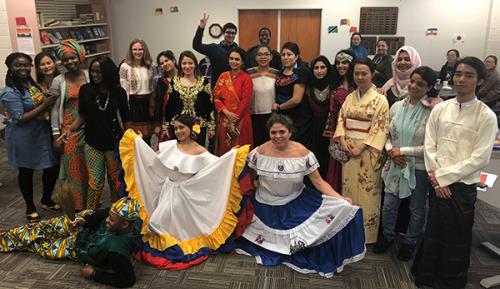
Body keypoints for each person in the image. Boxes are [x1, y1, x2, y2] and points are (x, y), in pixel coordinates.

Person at [235, 113, 365, 277]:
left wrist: (340, 199)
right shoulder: (259, 152)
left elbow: (318, 182)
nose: (278, 136)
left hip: (295, 201)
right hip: (264, 205)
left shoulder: (303, 153)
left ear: (290, 132)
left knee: (338, 211)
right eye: (273, 133)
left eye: (282, 132)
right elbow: (250, 175)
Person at [119, 115, 250, 269]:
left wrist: (231, 156)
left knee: (171, 223)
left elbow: (217, 167)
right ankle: (167, 239)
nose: (178, 131)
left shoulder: (200, 150)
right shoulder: (169, 145)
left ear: (190, 129)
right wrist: (139, 143)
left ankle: (174, 239)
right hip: (168, 189)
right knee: (159, 221)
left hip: (185, 194)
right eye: (175, 128)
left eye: (182, 127)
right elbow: (150, 160)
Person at [412, 57, 498, 289]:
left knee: (457, 236)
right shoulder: (440, 108)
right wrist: (437, 179)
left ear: (479, 80)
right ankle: (427, 275)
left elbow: (480, 158)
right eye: (458, 74)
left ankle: (450, 280)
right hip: (436, 182)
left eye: (469, 75)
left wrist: (443, 178)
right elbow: (430, 145)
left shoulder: (486, 116)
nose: (461, 79)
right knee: (434, 231)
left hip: (461, 187)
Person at [374, 66, 441, 260]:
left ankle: (410, 242)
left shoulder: (432, 111)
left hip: (418, 167)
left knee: (416, 208)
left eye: (420, 84)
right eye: (412, 81)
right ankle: (387, 236)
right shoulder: (397, 106)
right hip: (395, 163)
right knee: (388, 205)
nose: (414, 86)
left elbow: (430, 146)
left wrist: (401, 151)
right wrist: (390, 151)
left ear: (429, 87)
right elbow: (387, 135)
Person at [0, 197, 141, 288]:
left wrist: (94, 274)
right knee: (41, 228)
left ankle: (7, 240)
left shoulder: (117, 250)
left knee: (39, 245)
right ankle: (6, 237)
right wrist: (85, 220)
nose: (107, 220)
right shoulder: (126, 220)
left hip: (77, 247)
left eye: (112, 220)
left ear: (124, 225)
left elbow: (127, 280)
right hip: (83, 226)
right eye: (110, 217)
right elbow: (104, 213)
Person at [59, 57, 131, 209]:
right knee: (95, 183)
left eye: (99, 71)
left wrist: (130, 140)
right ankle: (89, 215)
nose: (95, 74)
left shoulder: (119, 92)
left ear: (108, 73)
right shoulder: (86, 90)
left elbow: (126, 119)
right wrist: (69, 130)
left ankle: (115, 211)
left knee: (114, 181)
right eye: (92, 71)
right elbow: (82, 116)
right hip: (92, 143)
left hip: (114, 143)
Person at [334, 57, 389, 244]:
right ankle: (350, 230)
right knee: (348, 189)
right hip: (349, 149)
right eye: (356, 73)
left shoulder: (381, 100)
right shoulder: (350, 97)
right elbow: (341, 119)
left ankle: (367, 235)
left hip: (367, 151)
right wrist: (342, 139)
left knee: (368, 192)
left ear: (372, 73)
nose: (359, 76)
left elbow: (380, 127)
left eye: (364, 73)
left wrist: (362, 146)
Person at [1, 52, 59, 222]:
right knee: (26, 171)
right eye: (18, 65)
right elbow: (20, 119)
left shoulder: (30, 84)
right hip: (23, 137)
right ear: (10, 68)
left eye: (26, 65)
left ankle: (46, 199)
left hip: (40, 133)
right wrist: (46, 104)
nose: (23, 68)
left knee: (51, 167)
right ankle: (30, 206)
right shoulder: (10, 91)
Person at [50, 39, 89, 211]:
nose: (70, 62)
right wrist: (56, 135)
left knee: (89, 166)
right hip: (68, 130)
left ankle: (89, 201)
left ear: (79, 57)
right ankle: (75, 204)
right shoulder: (59, 81)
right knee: (72, 167)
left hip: (90, 128)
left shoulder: (89, 75)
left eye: (73, 58)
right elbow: (54, 110)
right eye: (65, 60)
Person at [164, 50, 215, 147]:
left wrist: (211, 126)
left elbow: (209, 105)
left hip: (198, 124)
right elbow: (169, 106)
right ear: (180, 65)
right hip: (179, 126)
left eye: (190, 63)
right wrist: (165, 126)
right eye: (184, 63)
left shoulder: (203, 81)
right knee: (180, 154)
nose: (187, 66)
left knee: (197, 153)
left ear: (195, 64)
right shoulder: (174, 82)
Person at [325, 50, 356, 192]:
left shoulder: (359, 82)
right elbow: (332, 111)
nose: (340, 66)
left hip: (357, 132)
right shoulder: (334, 83)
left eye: (344, 62)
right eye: (338, 63)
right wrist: (332, 135)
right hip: (339, 132)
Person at [214, 47, 254, 156]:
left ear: (242, 62)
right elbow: (216, 97)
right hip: (225, 118)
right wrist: (226, 113)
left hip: (241, 118)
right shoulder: (223, 76)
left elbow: (245, 101)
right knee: (225, 149)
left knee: (241, 151)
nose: (233, 61)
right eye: (231, 58)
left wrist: (234, 120)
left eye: (237, 59)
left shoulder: (246, 78)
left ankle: (243, 173)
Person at [273, 42, 310, 144]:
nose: (285, 57)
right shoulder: (280, 73)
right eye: (283, 54)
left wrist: (279, 107)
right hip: (282, 119)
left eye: (289, 54)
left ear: (296, 56)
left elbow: (296, 100)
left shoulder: (302, 72)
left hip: (298, 119)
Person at [304, 55, 334, 180]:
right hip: (313, 129)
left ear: (328, 69)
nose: (319, 71)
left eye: (323, 67)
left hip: (330, 129)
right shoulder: (308, 87)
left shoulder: (334, 86)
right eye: (316, 68)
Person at [119, 39, 155, 142]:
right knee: (135, 137)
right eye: (135, 49)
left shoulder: (150, 66)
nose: (138, 52)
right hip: (133, 103)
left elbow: (153, 87)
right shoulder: (125, 67)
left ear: (145, 51)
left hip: (147, 103)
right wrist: (126, 108)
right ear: (130, 51)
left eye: (140, 49)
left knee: (147, 136)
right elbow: (124, 89)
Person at [193, 13, 238, 87]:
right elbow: (196, 46)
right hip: (217, 87)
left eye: (233, 33)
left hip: (234, 87)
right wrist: (201, 28)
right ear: (223, 33)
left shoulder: (238, 51)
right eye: (228, 32)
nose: (230, 35)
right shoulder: (214, 48)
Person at [247, 44, 279, 146]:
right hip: (254, 114)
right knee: (257, 144)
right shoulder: (249, 73)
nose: (263, 57)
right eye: (260, 55)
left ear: (271, 57)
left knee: (270, 144)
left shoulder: (277, 73)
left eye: (266, 54)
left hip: (272, 114)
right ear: (256, 57)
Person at [153, 50, 177, 140]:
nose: (165, 64)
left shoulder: (184, 77)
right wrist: (157, 124)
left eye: (167, 61)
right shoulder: (161, 82)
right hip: (167, 120)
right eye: (162, 63)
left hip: (184, 120)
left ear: (173, 60)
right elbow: (158, 104)